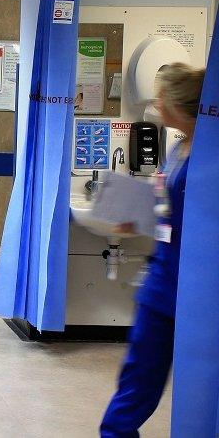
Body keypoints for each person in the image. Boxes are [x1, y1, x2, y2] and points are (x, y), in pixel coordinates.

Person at [100, 62, 205, 438]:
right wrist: (139, 214)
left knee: (198, 388)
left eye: (160, 97)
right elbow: (169, 212)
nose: (156, 105)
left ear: (176, 104)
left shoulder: (207, 157)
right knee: (138, 378)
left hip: (195, 287)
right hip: (162, 282)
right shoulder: (179, 148)